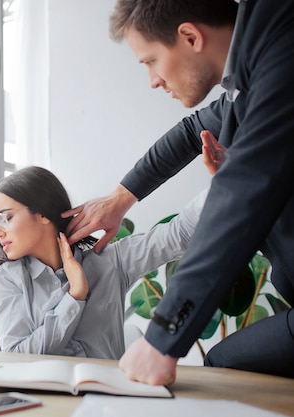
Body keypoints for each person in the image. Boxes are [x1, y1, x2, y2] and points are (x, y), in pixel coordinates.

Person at [63, 0, 294, 384]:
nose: (153, 80)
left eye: (150, 61)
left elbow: (243, 194)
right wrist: (120, 200)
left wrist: (161, 337)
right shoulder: (252, 75)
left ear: (190, 36)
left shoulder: (282, 57)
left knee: (226, 366)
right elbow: (191, 134)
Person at [0, 165, 207, 360]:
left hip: (107, 405)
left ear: (42, 213)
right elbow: (16, 356)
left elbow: (180, 233)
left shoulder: (110, 262)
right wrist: (75, 296)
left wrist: (231, 179)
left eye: (6, 218)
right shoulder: (5, 279)